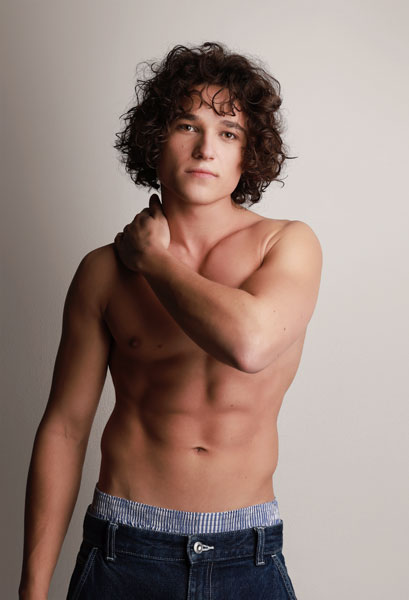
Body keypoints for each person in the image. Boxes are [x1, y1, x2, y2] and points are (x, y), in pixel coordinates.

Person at [19, 42, 322, 600]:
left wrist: (154, 263)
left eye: (228, 133)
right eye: (188, 125)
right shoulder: (103, 272)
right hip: (123, 547)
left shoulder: (286, 244)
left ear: (248, 153)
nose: (206, 148)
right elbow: (64, 428)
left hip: (245, 553)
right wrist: (32, 590)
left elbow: (250, 343)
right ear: (156, 138)